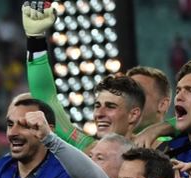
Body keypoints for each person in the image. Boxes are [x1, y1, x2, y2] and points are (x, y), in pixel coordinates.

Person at [22, 2, 145, 154]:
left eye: (111, 106)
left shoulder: (154, 148)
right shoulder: (86, 147)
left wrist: (163, 128)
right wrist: (35, 39)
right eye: (97, 105)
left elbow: (180, 124)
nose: (99, 114)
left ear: (133, 114)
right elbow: (45, 97)